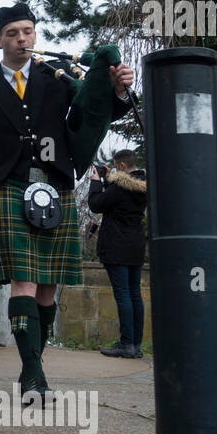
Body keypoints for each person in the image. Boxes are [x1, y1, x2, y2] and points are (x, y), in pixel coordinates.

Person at [0, 3, 134, 400]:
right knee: (23, 279)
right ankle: (36, 378)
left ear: (35, 35)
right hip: (7, 186)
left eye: (27, 31)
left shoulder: (56, 77)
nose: (21, 38)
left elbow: (95, 108)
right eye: (12, 33)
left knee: (47, 285)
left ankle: (30, 369)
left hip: (54, 183)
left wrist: (119, 88)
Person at [88, 150, 147, 359]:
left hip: (117, 245)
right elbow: (114, 201)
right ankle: (136, 344)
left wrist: (96, 181)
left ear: (121, 166)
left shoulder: (120, 187)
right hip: (136, 244)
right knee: (134, 294)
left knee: (123, 295)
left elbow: (96, 204)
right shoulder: (143, 185)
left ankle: (126, 344)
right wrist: (107, 179)